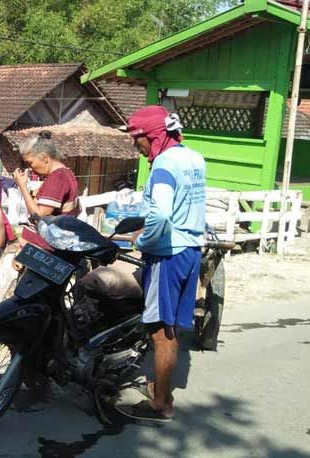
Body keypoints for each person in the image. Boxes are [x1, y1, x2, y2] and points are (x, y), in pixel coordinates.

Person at [116, 105, 206, 423]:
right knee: (171, 326)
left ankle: (161, 404)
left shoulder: (164, 166)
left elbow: (163, 214)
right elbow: (181, 209)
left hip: (167, 254)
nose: (135, 146)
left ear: (152, 136)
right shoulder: (193, 158)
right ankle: (160, 387)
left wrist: (143, 240)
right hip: (190, 250)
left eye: (137, 138)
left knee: (159, 330)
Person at [12, 130, 80, 250]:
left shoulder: (58, 178)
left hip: (44, 249)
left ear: (45, 158)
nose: (30, 168)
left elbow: (38, 215)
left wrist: (22, 186)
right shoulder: (64, 174)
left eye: (30, 163)